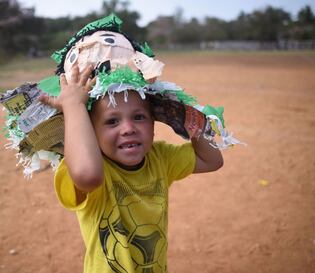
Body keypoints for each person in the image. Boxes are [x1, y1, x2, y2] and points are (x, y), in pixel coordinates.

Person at [39, 65, 224, 273]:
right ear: (89, 131)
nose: (128, 129)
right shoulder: (95, 167)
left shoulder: (160, 158)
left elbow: (211, 160)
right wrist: (74, 106)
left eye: (139, 117)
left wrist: (185, 115)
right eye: (112, 121)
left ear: (155, 122)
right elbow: (88, 176)